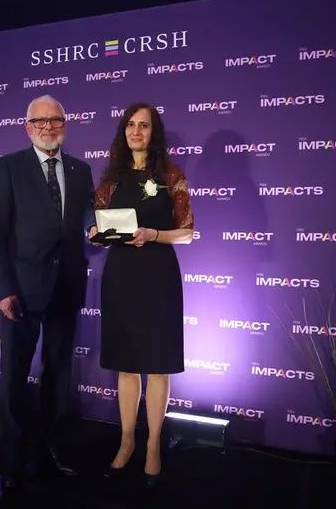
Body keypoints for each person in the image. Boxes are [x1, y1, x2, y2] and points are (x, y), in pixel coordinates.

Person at [0, 95, 95, 490]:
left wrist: (97, 229)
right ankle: (13, 461)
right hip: (20, 292)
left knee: (58, 377)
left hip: (66, 287)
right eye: (41, 121)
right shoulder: (8, 167)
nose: (49, 127)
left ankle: (46, 453)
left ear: (66, 123)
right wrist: (3, 290)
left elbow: (87, 219)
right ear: (27, 127)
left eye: (56, 120)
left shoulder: (81, 170)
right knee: (14, 377)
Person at [88, 103, 194, 488]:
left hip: (159, 276)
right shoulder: (112, 179)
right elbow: (98, 226)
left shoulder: (171, 175)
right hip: (122, 277)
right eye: (131, 125)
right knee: (127, 364)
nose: (136, 131)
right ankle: (127, 441)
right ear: (124, 131)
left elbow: (187, 232)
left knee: (158, 365)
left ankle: (152, 446)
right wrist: (96, 235)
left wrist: (153, 234)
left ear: (154, 132)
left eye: (144, 125)